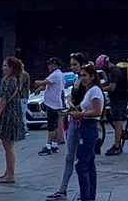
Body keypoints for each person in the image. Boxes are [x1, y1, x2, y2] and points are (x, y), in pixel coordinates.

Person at [46, 53, 89, 201]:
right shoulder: (78, 80)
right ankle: (63, 189)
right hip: (73, 120)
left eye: (75, 64)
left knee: (83, 160)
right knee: (70, 157)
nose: (72, 67)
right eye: (71, 65)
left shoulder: (87, 81)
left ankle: (85, 193)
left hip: (82, 122)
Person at [68, 64, 104, 201]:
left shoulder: (94, 91)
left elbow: (97, 111)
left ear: (92, 76)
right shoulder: (89, 90)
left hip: (89, 127)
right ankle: (89, 195)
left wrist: (80, 114)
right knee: (89, 164)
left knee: (82, 164)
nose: (82, 78)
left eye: (84, 75)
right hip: (86, 126)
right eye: (81, 75)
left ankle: (85, 196)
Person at [0, 57, 25, 184]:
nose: (3, 68)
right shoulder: (13, 80)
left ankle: (10, 174)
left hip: (9, 116)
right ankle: (8, 171)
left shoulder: (9, 81)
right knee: (8, 146)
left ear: (12, 67)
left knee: (8, 146)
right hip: (12, 114)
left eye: (6, 66)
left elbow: (2, 101)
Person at [96, 55, 128, 156]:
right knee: (110, 116)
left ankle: (117, 147)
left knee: (117, 121)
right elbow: (108, 83)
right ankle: (120, 135)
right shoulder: (112, 72)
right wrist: (98, 85)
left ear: (106, 63)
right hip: (117, 99)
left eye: (102, 67)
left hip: (120, 100)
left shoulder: (114, 71)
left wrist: (100, 89)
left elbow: (111, 87)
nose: (102, 69)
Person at [35, 58, 66, 156]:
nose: (48, 66)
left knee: (51, 126)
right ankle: (54, 144)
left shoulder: (56, 74)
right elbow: (47, 85)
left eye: (50, 64)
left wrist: (36, 82)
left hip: (52, 104)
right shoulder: (59, 75)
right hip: (55, 104)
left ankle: (48, 146)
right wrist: (40, 89)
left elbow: (44, 82)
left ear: (55, 65)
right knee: (55, 125)